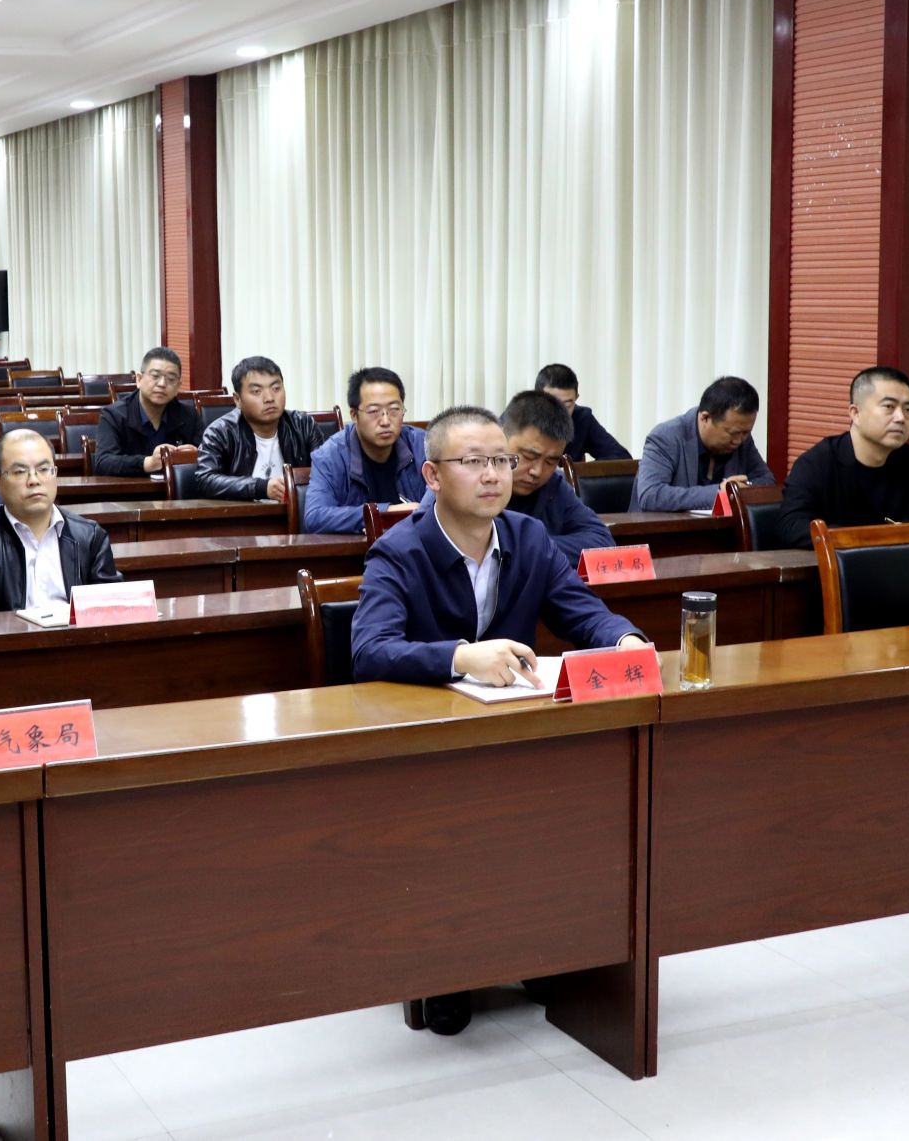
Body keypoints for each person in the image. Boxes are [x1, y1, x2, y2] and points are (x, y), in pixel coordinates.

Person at [350, 406, 647, 1036]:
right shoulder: (397, 552)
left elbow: (582, 612)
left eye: (501, 461)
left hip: (512, 731)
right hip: (431, 745)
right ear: (432, 475)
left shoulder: (528, 537)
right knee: (453, 830)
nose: (493, 475)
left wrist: (624, 642)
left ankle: (537, 948)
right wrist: (461, 657)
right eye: (474, 462)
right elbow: (370, 650)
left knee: (574, 803)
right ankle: (449, 970)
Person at [0, 429, 123, 614]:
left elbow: (110, 611)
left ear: (55, 474)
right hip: (11, 633)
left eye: (43, 469)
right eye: (20, 472)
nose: (34, 480)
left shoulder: (90, 536)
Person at [774, 366, 909, 549]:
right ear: (855, 413)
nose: (901, 417)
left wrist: (900, 531)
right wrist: (869, 537)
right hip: (836, 565)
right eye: (889, 407)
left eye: (908, 409)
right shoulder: (817, 462)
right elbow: (791, 526)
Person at [303, 366, 427, 534]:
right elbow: (315, 517)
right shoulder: (330, 456)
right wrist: (384, 512)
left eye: (394, 409)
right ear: (354, 415)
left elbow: (442, 502)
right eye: (374, 411)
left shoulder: (423, 446)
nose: (385, 421)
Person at [498, 390, 614, 566]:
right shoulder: (474, 484)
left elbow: (602, 542)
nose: (537, 471)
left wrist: (528, 547)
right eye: (529, 456)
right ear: (500, 438)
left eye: (551, 461)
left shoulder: (554, 485)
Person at [633, 375, 776, 512]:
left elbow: (767, 481)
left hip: (721, 528)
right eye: (732, 433)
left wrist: (742, 489)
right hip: (663, 528)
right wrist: (721, 493)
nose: (738, 440)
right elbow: (651, 495)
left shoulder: (742, 440)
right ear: (705, 418)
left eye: (745, 433)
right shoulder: (666, 437)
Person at [195, 354, 326, 502]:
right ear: (237, 399)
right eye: (257, 391)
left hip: (296, 512)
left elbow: (326, 473)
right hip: (245, 514)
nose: (269, 398)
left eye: (276, 388)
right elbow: (205, 480)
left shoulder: (303, 425)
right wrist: (261, 487)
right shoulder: (220, 432)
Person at [92, 346, 204, 475]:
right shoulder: (113, 415)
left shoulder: (189, 415)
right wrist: (148, 463)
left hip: (177, 488)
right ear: (139, 379)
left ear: (178, 386)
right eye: (155, 376)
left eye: (171, 379)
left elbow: (211, 458)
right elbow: (103, 463)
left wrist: (195, 456)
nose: (162, 384)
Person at [534, 364, 631, 460]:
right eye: (552, 404)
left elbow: (620, 457)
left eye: (567, 405)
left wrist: (579, 469)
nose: (560, 412)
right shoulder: (525, 420)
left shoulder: (582, 419)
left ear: (576, 398)